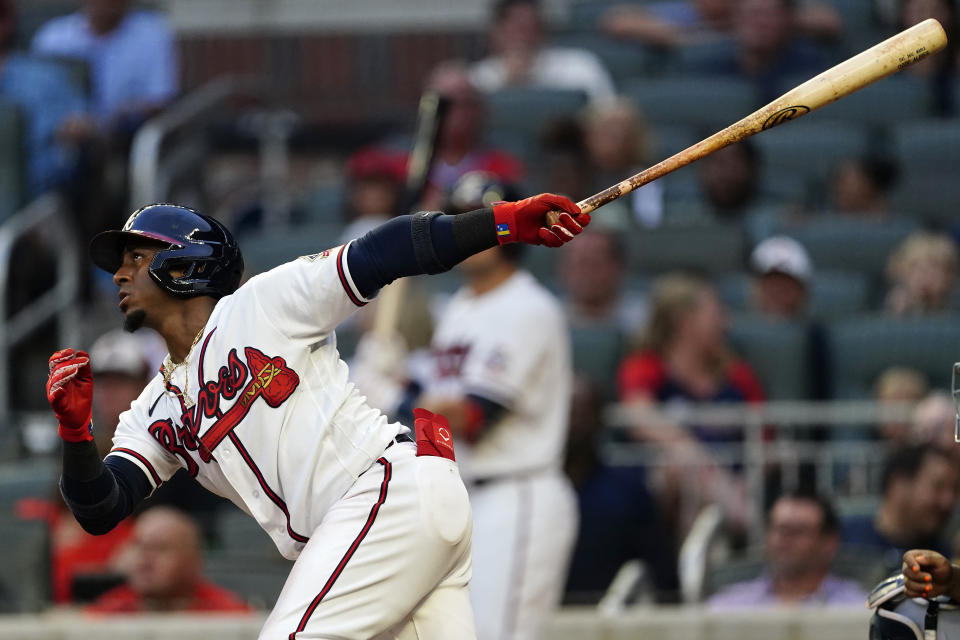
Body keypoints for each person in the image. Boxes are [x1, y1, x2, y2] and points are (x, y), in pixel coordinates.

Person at [45, 194, 589, 637]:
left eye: (136, 258)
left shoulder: (261, 304)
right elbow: (101, 507)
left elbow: (384, 252)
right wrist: (75, 433)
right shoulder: (154, 407)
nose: (119, 275)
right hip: (382, 525)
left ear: (185, 264)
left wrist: (500, 223)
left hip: (382, 494)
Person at [410, 189, 579, 640]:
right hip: (464, 495)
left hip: (516, 493)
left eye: (481, 218)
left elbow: (470, 418)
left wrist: (388, 401)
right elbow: (433, 413)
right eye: (463, 218)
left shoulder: (528, 307)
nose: (472, 231)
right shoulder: (459, 308)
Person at [617, 273, 765, 536]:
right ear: (684, 321)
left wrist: (739, 480)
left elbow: (765, 440)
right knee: (678, 465)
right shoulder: (646, 366)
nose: (725, 323)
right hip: (666, 500)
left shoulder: (737, 375)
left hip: (737, 487)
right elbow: (639, 418)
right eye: (715, 313)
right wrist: (704, 466)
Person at [31, 0, 178, 133]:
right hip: (59, 136)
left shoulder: (153, 33)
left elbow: (160, 100)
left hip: (126, 136)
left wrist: (114, 118)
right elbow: (34, 97)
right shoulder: (52, 37)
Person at [707, 490, 866, 607]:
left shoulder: (856, 606)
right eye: (779, 529)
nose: (785, 539)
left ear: (829, 542)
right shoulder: (728, 606)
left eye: (798, 530)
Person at [87, 506, 252, 613]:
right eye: (139, 546)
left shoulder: (229, 615)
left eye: (160, 548)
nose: (145, 559)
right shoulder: (107, 612)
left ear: (192, 561)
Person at [0, 0, 87, 199]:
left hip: (34, 195)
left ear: (6, 22)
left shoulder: (44, 76)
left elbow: (81, 123)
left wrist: (75, 130)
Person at [842, 444, 959, 575]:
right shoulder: (842, 540)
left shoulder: (945, 560)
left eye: (954, 490)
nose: (948, 501)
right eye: (938, 487)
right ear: (899, 484)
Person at [421, 60, 525, 208]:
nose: (457, 113)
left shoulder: (505, 168)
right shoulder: (403, 166)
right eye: (446, 104)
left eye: (466, 103)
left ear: (481, 109)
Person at [470, 0, 616, 103]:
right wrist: (510, 83)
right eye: (516, 29)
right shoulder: (479, 78)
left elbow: (606, 111)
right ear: (495, 32)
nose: (523, 37)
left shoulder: (581, 65)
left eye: (531, 27)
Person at [885, 231, 959, 316]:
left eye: (934, 268)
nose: (924, 275)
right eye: (916, 267)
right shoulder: (893, 306)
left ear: (949, 275)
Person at [749, 235, 812, 319]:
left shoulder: (818, 331)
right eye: (770, 287)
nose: (776, 295)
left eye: (785, 288)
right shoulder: (732, 327)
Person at [874, 367, 928, 448]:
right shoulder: (866, 450)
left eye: (905, 411)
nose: (898, 420)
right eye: (892, 411)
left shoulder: (932, 455)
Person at [828, 156, 898, 218]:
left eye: (847, 184)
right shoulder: (829, 222)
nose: (841, 189)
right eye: (839, 189)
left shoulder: (886, 220)